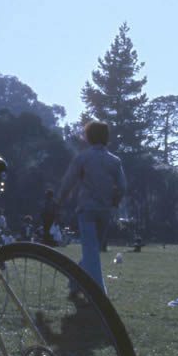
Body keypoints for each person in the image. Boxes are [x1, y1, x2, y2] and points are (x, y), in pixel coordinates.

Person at [57, 120, 126, 294]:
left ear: (89, 137)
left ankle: (92, 290)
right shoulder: (114, 161)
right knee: (93, 250)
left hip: (86, 208)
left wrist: (60, 200)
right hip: (105, 210)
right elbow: (122, 186)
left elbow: (68, 181)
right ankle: (84, 287)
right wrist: (115, 201)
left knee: (91, 251)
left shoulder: (83, 158)